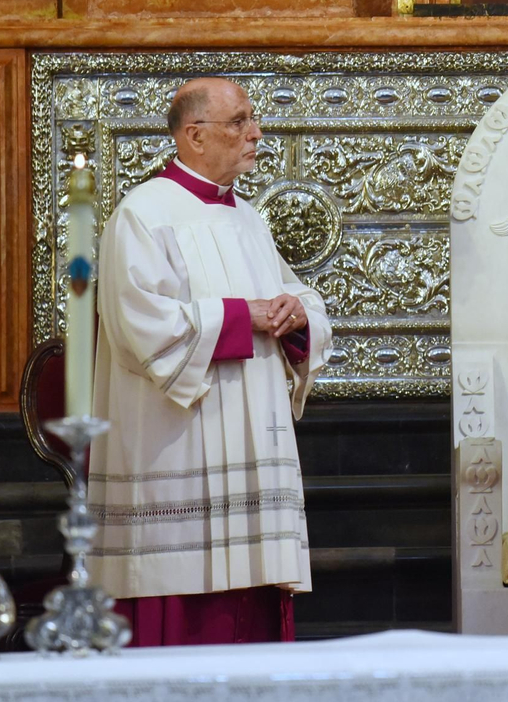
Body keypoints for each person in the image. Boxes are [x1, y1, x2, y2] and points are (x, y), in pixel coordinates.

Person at [88, 77, 329, 646]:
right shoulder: (143, 215)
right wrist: (243, 318)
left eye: (253, 119)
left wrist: (297, 314)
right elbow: (138, 325)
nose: (256, 133)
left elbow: (294, 298)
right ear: (194, 135)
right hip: (177, 444)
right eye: (240, 121)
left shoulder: (248, 216)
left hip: (249, 442)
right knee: (186, 594)